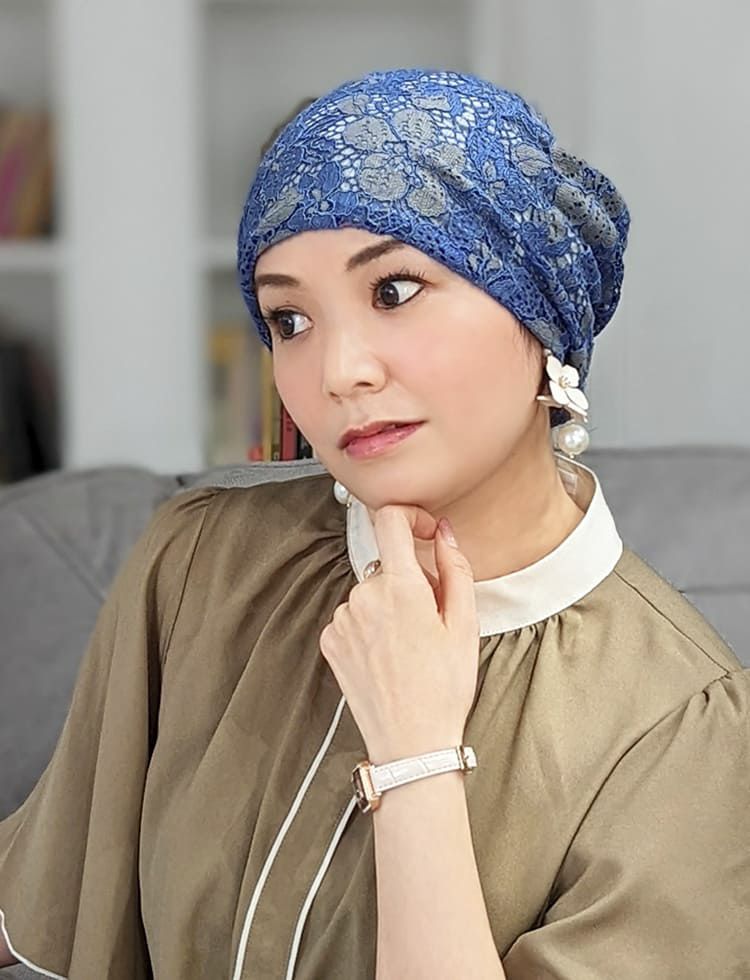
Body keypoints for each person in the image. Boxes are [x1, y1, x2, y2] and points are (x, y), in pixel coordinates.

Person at [0, 67, 748, 980]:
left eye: (393, 291)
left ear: (540, 315)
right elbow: (48, 905)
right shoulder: (200, 562)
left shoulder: (684, 728)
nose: (338, 371)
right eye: (289, 318)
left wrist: (416, 751)